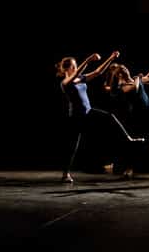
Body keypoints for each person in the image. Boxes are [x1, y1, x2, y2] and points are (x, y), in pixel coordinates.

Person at [56, 51, 144, 183]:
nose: (76, 68)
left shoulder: (80, 78)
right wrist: (88, 60)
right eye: (74, 66)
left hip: (89, 112)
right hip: (77, 118)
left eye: (76, 66)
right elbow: (73, 76)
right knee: (73, 146)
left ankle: (129, 140)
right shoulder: (65, 83)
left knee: (110, 117)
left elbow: (97, 72)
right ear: (67, 69)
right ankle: (65, 174)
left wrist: (111, 57)